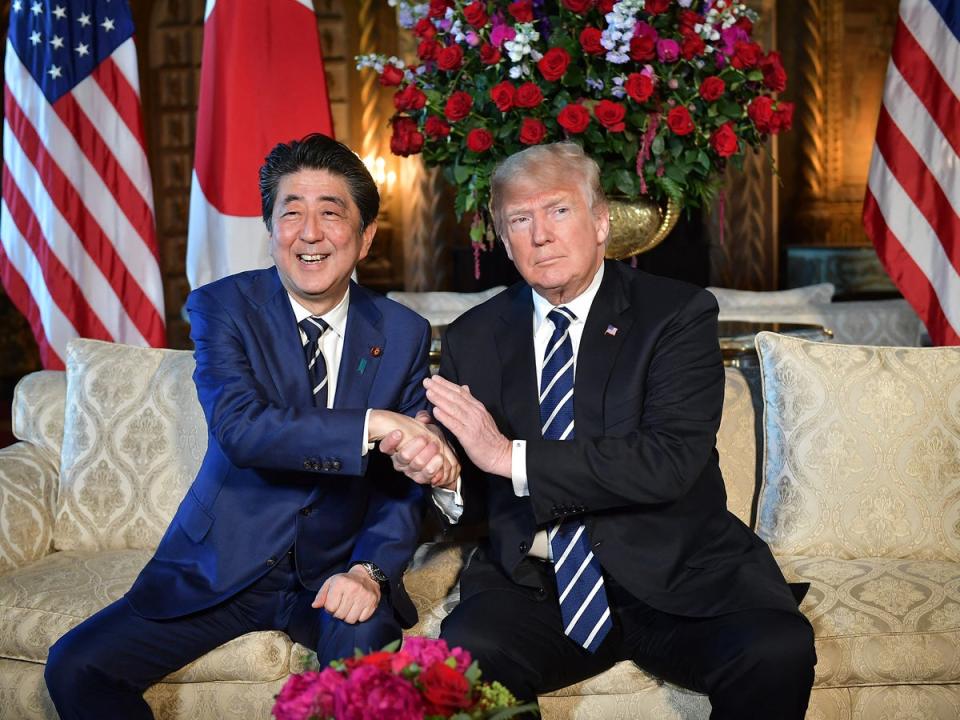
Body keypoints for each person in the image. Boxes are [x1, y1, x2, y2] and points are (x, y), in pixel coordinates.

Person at [387, 142, 816, 718]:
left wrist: (508, 456)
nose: (540, 234)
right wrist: (441, 474)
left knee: (776, 650)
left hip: (677, 574)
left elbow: (666, 461)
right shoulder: (472, 336)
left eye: (559, 211)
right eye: (521, 219)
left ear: (602, 222)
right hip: (538, 585)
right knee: (468, 656)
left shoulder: (677, 315)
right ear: (504, 241)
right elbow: (465, 500)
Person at [44, 133, 457, 719]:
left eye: (330, 213)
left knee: (367, 686)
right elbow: (242, 429)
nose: (309, 233)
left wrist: (369, 572)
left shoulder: (403, 331)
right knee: (75, 666)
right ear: (271, 230)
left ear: (364, 237)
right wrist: (373, 423)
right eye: (291, 213)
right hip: (222, 568)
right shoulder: (222, 308)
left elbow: (402, 483)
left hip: (337, 572)